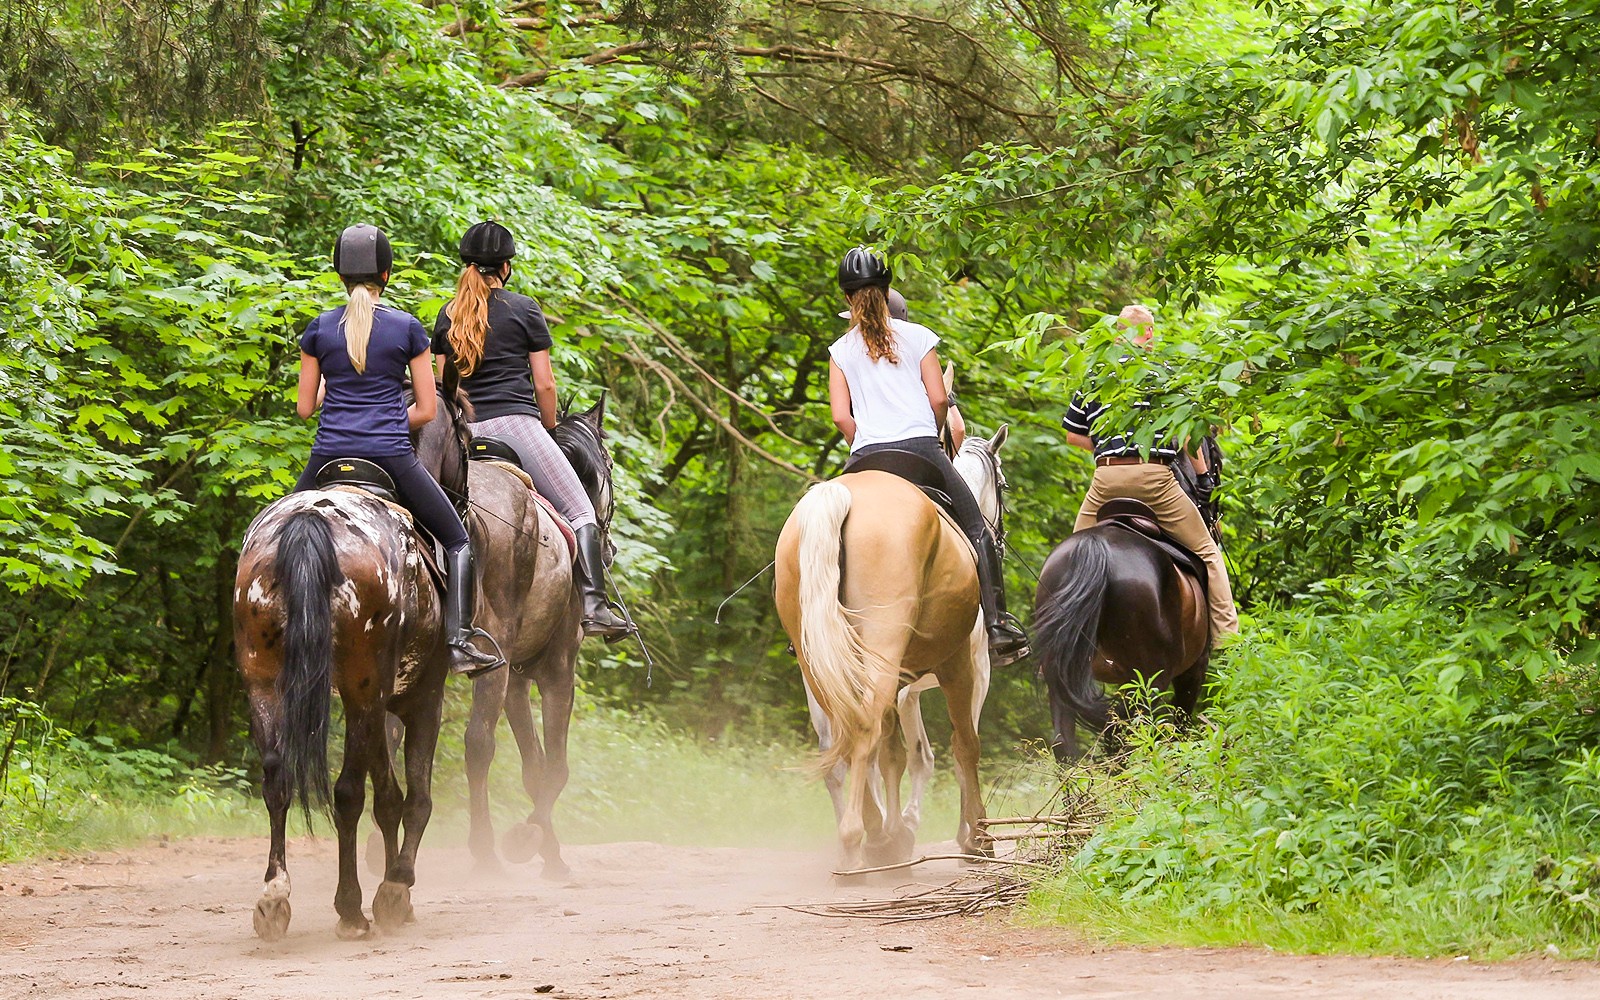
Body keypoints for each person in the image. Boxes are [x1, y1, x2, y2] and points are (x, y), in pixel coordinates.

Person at [293, 224, 505, 676]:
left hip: (327, 456)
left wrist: (337, 390)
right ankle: (459, 641)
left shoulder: (318, 330)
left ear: (339, 276)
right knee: (458, 539)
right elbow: (428, 411)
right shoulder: (407, 328)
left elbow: (304, 409)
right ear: (386, 275)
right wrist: (385, 421)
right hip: (390, 457)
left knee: (278, 531)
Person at [431, 220, 634, 641]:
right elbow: (545, 383)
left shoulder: (447, 314)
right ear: (505, 267)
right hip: (516, 425)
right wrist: (548, 427)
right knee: (580, 510)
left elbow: (445, 387)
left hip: (465, 432)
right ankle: (595, 607)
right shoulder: (524, 308)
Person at [828, 247, 1030, 665]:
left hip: (866, 456)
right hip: (920, 452)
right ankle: (997, 626)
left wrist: (863, 439)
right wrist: (927, 428)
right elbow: (939, 399)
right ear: (886, 290)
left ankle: (809, 626)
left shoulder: (839, 350)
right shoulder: (919, 336)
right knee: (977, 527)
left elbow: (840, 417)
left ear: (847, 298)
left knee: (826, 525)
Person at [1062, 304, 1239, 637]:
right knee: (1208, 553)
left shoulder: (1096, 375)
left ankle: (1057, 647)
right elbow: (1188, 437)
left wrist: (1105, 449)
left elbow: (1073, 434)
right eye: (1151, 331)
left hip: (1106, 481)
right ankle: (1229, 642)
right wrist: (1203, 479)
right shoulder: (1165, 372)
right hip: (1155, 480)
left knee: (1072, 555)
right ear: (1147, 333)